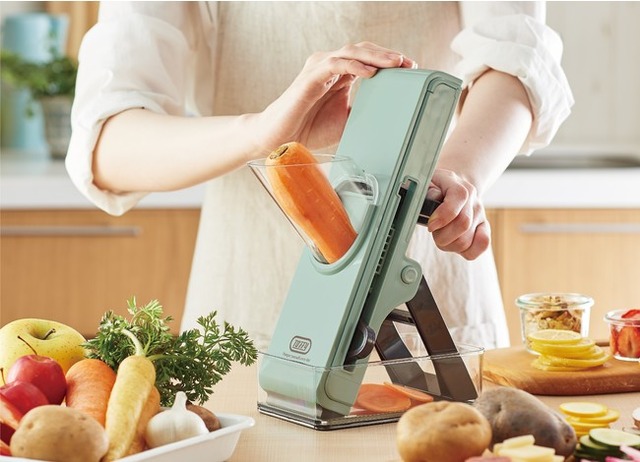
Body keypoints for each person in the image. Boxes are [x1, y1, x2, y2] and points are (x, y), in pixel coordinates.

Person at [66, 2, 573, 351]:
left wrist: (453, 176)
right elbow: (108, 140)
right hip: (247, 295)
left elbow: (517, 59)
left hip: (427, 274)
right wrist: (262, 131)